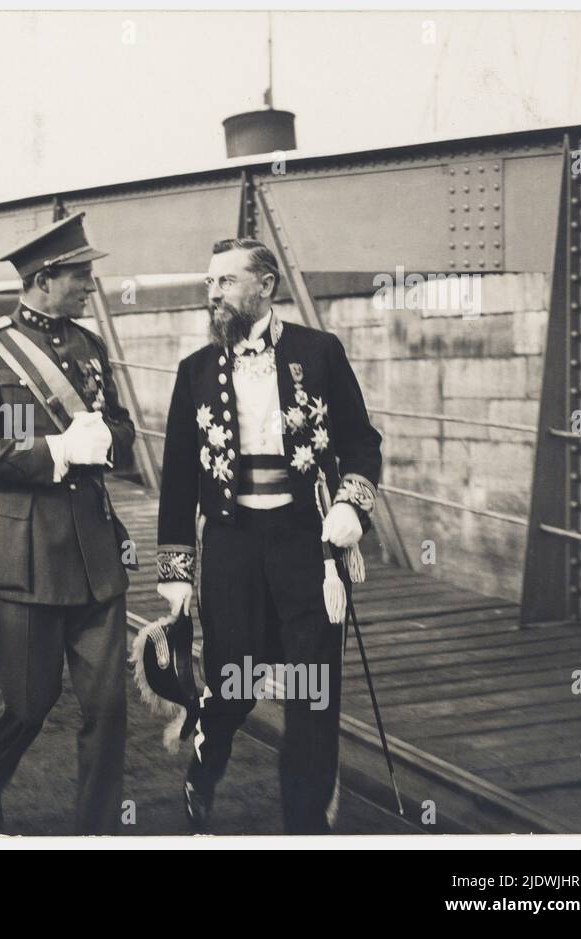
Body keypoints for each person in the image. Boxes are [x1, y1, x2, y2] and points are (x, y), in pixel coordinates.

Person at [156, 237, 383, 834]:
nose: (213, 294)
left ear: (265, 286)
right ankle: (204, 771)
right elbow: (178, 476)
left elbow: (362, 442)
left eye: (225, 282)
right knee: (233, 685)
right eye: (209, 283)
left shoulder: (320, 352)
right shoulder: (195, 371)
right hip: (231, 549)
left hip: (307, 548)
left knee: (311, 694)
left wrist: (351, 507)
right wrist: (176, 573)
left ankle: (305, 825)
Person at [0, 213, 136, 836]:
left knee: (109, 710)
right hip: (25, 554)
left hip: (94, 549)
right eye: (82, 274)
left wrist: (105, 437)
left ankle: (97, 833)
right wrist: (56, 451)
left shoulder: (90, 346)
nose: (91, 285)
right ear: (44, 278)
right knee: (27, 705)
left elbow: (128, 435)